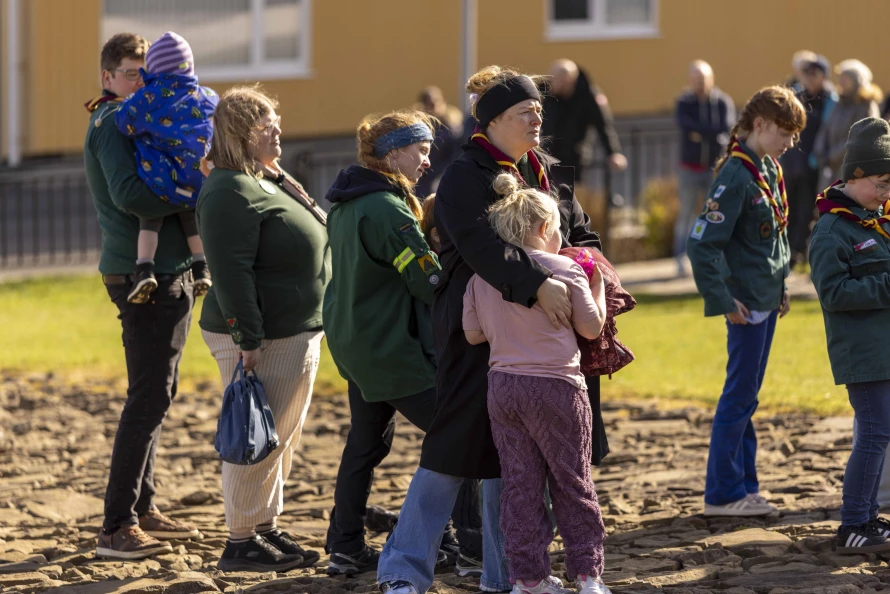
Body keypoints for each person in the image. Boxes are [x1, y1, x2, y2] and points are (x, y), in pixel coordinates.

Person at [377, 65, 608, 594]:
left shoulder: (544, 170)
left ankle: (511, 575)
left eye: (539, 110)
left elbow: (579, 232)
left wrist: (592, 267)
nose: (537, 119)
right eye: (526, 112)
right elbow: (479, 244)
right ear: (495, 120)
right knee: (453, 449)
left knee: (518, 461)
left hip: (547, 338)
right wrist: (537, 285)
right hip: (479, 332)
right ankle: (402, 570)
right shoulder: (465, 175)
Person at [322, 109, 483, 577]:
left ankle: (345, 545)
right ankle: (468, 547)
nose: (428, 160)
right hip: (389, 349)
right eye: (422, 150)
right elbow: (426, 281)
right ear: (393, 154)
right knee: (461, 434)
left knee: (365, 446)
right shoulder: (386, 208)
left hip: (357, 345)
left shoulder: (349, 201)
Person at [196, 85, 330, 571]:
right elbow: (231, 272)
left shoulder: (259, 178)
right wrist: (247, 338)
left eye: (275, 122)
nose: (276, 131)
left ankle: (264, 525)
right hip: (262, 337)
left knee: (281, 436)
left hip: (292, 329)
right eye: (264, 125)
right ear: (238, 134)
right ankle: (240, 540)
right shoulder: (228, 189)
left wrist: (276, 173)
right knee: (254, 437)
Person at [463, 171, 609, 593]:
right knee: (572, 481)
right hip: (557, 386)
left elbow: (473, 334)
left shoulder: (482, 277)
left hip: (504, 388)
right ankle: (588, 574)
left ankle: (528, 578)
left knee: (520, 486)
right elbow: (592, 327)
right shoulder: (565, 268)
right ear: (545, 228)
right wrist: (598, 287)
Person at [86, 32, 200, 560]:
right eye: (131, 74)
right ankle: (117, 526)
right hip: (141, 275)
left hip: (168, 268)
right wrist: (188, 191)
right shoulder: (113, 120)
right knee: (148, 398)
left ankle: (144, 507)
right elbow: (129, 194)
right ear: (107, 77)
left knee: (158, 392)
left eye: (145, 74)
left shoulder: (146, 117)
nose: (141, 83)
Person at [687, 85, 806, 517]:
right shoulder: (736, 175)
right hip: (745, 305)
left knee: (747, 397)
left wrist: (781, 285)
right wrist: (722, 299)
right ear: (760, 124)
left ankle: (744, 486)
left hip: (764, 297)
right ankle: (722, 494)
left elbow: (770, 240)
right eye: (785, 133)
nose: (791, 142)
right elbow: (702, 245)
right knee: (738, 397)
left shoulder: (767, 168)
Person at [809, 117, 890, 554]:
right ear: (854, 176)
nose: (886, 193)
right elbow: (834, 293)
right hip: (863, 354)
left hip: (884, 348)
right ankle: (853, 523)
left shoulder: (876, 220)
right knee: (874, 433)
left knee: (880, 434)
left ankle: (869, 517)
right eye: (881, 183)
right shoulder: (831, 230)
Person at [115, 31, 217, 304]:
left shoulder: (150, 97)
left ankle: (144, 268)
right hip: (201, 180)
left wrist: (132, 99)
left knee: (150, 219)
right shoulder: (208, 96)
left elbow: (124, 121)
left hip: (164, 182)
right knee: (190, 215)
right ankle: (201, 266)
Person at [674, 60, 735, 276]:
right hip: (689, 168)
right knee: (687, 213)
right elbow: (685, 126)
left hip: (715, 167)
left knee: (716, 213)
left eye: (703, 79)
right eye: (696, 79)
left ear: (712, 79)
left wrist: (701, 134)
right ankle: (681, 258)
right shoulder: (684, 102)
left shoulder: (722, 101)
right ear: (690, 81)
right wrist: (711, 133)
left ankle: (716, 258)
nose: (700, 83)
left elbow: (725, 128)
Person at [781, 55, 838, 265]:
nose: (811, 78)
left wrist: (819, 157)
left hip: (812, 165)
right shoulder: (796, 96)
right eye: (807, 74)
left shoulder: (830, 100)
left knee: (805, 210)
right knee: (788, 207)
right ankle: (785, 249)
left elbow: (828, 132)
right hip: (791, 162)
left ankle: (797, 251)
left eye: (815, 74)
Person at [541, 59, 627, 182]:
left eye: (556, 79)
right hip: (549, 153)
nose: (552, 83)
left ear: (569, 79)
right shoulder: (547, 94)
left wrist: (613, 152)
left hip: (576, 155)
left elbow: (603, 125)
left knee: (572, 189)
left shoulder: (588, 96)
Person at [815, 59, 881, 189]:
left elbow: (861, 136)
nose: (840, 82)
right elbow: (826, 128)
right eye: (840, 77)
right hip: (830, 166)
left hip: (851, 168)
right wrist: (820, 151)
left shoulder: (865, 105)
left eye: (845, 78)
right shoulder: (839, 103)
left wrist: (834, 155)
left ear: (856, 80)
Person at [415, 87, 465, 198]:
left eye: (437, 103)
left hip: (442, 177)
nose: (434, 108)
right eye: (429, 104)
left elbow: (457, 155)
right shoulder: (419, 128)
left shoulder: (451, 128)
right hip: (423, 178)